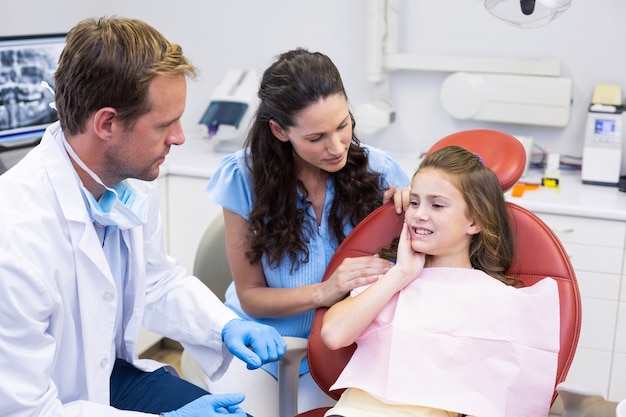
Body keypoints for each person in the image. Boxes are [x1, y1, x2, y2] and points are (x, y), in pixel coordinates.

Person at [0, 16, 286, 417]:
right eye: (165, 124)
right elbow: (24, 410)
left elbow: (155, 279)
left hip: (108, 377)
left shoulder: (129, 180)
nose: (180, 137)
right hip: (46, 400)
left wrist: (223, 324)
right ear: (107, 123)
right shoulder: (15, 237)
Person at [205, 48, 410, 414]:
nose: (336, 147)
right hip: (260, 344)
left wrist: (413, 211)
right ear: (280, 130)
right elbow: (251, 296)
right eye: (316, 138)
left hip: (345, 348)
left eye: (343, 125)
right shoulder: (242, 177)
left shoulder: (380, 171)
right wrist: (325, 292)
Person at [321, 146, 561, 417]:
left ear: (475, 221)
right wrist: (400, 275)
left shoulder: (498, 299)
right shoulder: (388, 277)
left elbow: (505, 400)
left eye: (436, 205)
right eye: (414, 202)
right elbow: (333, 335)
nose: (419, 214)